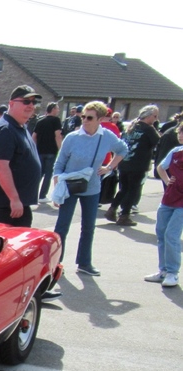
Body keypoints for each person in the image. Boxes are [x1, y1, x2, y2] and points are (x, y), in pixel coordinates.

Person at [52, 101, 127, 277]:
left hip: (92, 187)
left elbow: (123, 149)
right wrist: (57, 189)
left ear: (100, 119)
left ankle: (84, 263)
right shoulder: (72, 137)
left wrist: (109, 167)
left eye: (90, 118)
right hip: (69, 186)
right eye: (83, 117)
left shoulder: (106, 136)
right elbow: (59, 163)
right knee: (62, 226)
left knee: (88, 227)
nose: (85, 120)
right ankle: (55, 264)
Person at [0, 86, 43, 228]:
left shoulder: (20, 127)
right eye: (26, 101)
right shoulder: (5, 129)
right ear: (11, 103)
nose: (31, 105)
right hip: (3, 207)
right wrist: (14, 199)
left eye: (34, 102)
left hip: (15, 206)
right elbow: (1, 167)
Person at [105, 105, 160, 226]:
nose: (156, 119)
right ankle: (124, 215)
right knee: (133, 190)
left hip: (124, 162)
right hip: (138, 164)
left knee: (124, 188)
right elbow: (158, 142)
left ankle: (112, 209)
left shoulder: (131, 126)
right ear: (148, 116)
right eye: (155, 116)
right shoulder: (148, 129)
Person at [148, 123, 183, 288]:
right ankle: (163, 270)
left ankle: (172, 272)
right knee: (161, 232)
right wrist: (168, 180)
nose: (181, 135)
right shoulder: (175, 151)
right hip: (169, 198)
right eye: (180, 132)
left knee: (171, 235)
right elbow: (161, 167)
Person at [32, 102, 63, 204]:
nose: (58, 110)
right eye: (57, 108)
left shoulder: (40, 121)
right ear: (53, 109)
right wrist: (61, 150)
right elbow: (58, 136)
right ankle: (42, 196)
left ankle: (32, 194)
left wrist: (34, 149)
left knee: (39, 173)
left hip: (40, 151)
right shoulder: (56, 120)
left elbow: (34, 137)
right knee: (48, 174)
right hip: (51, 151)